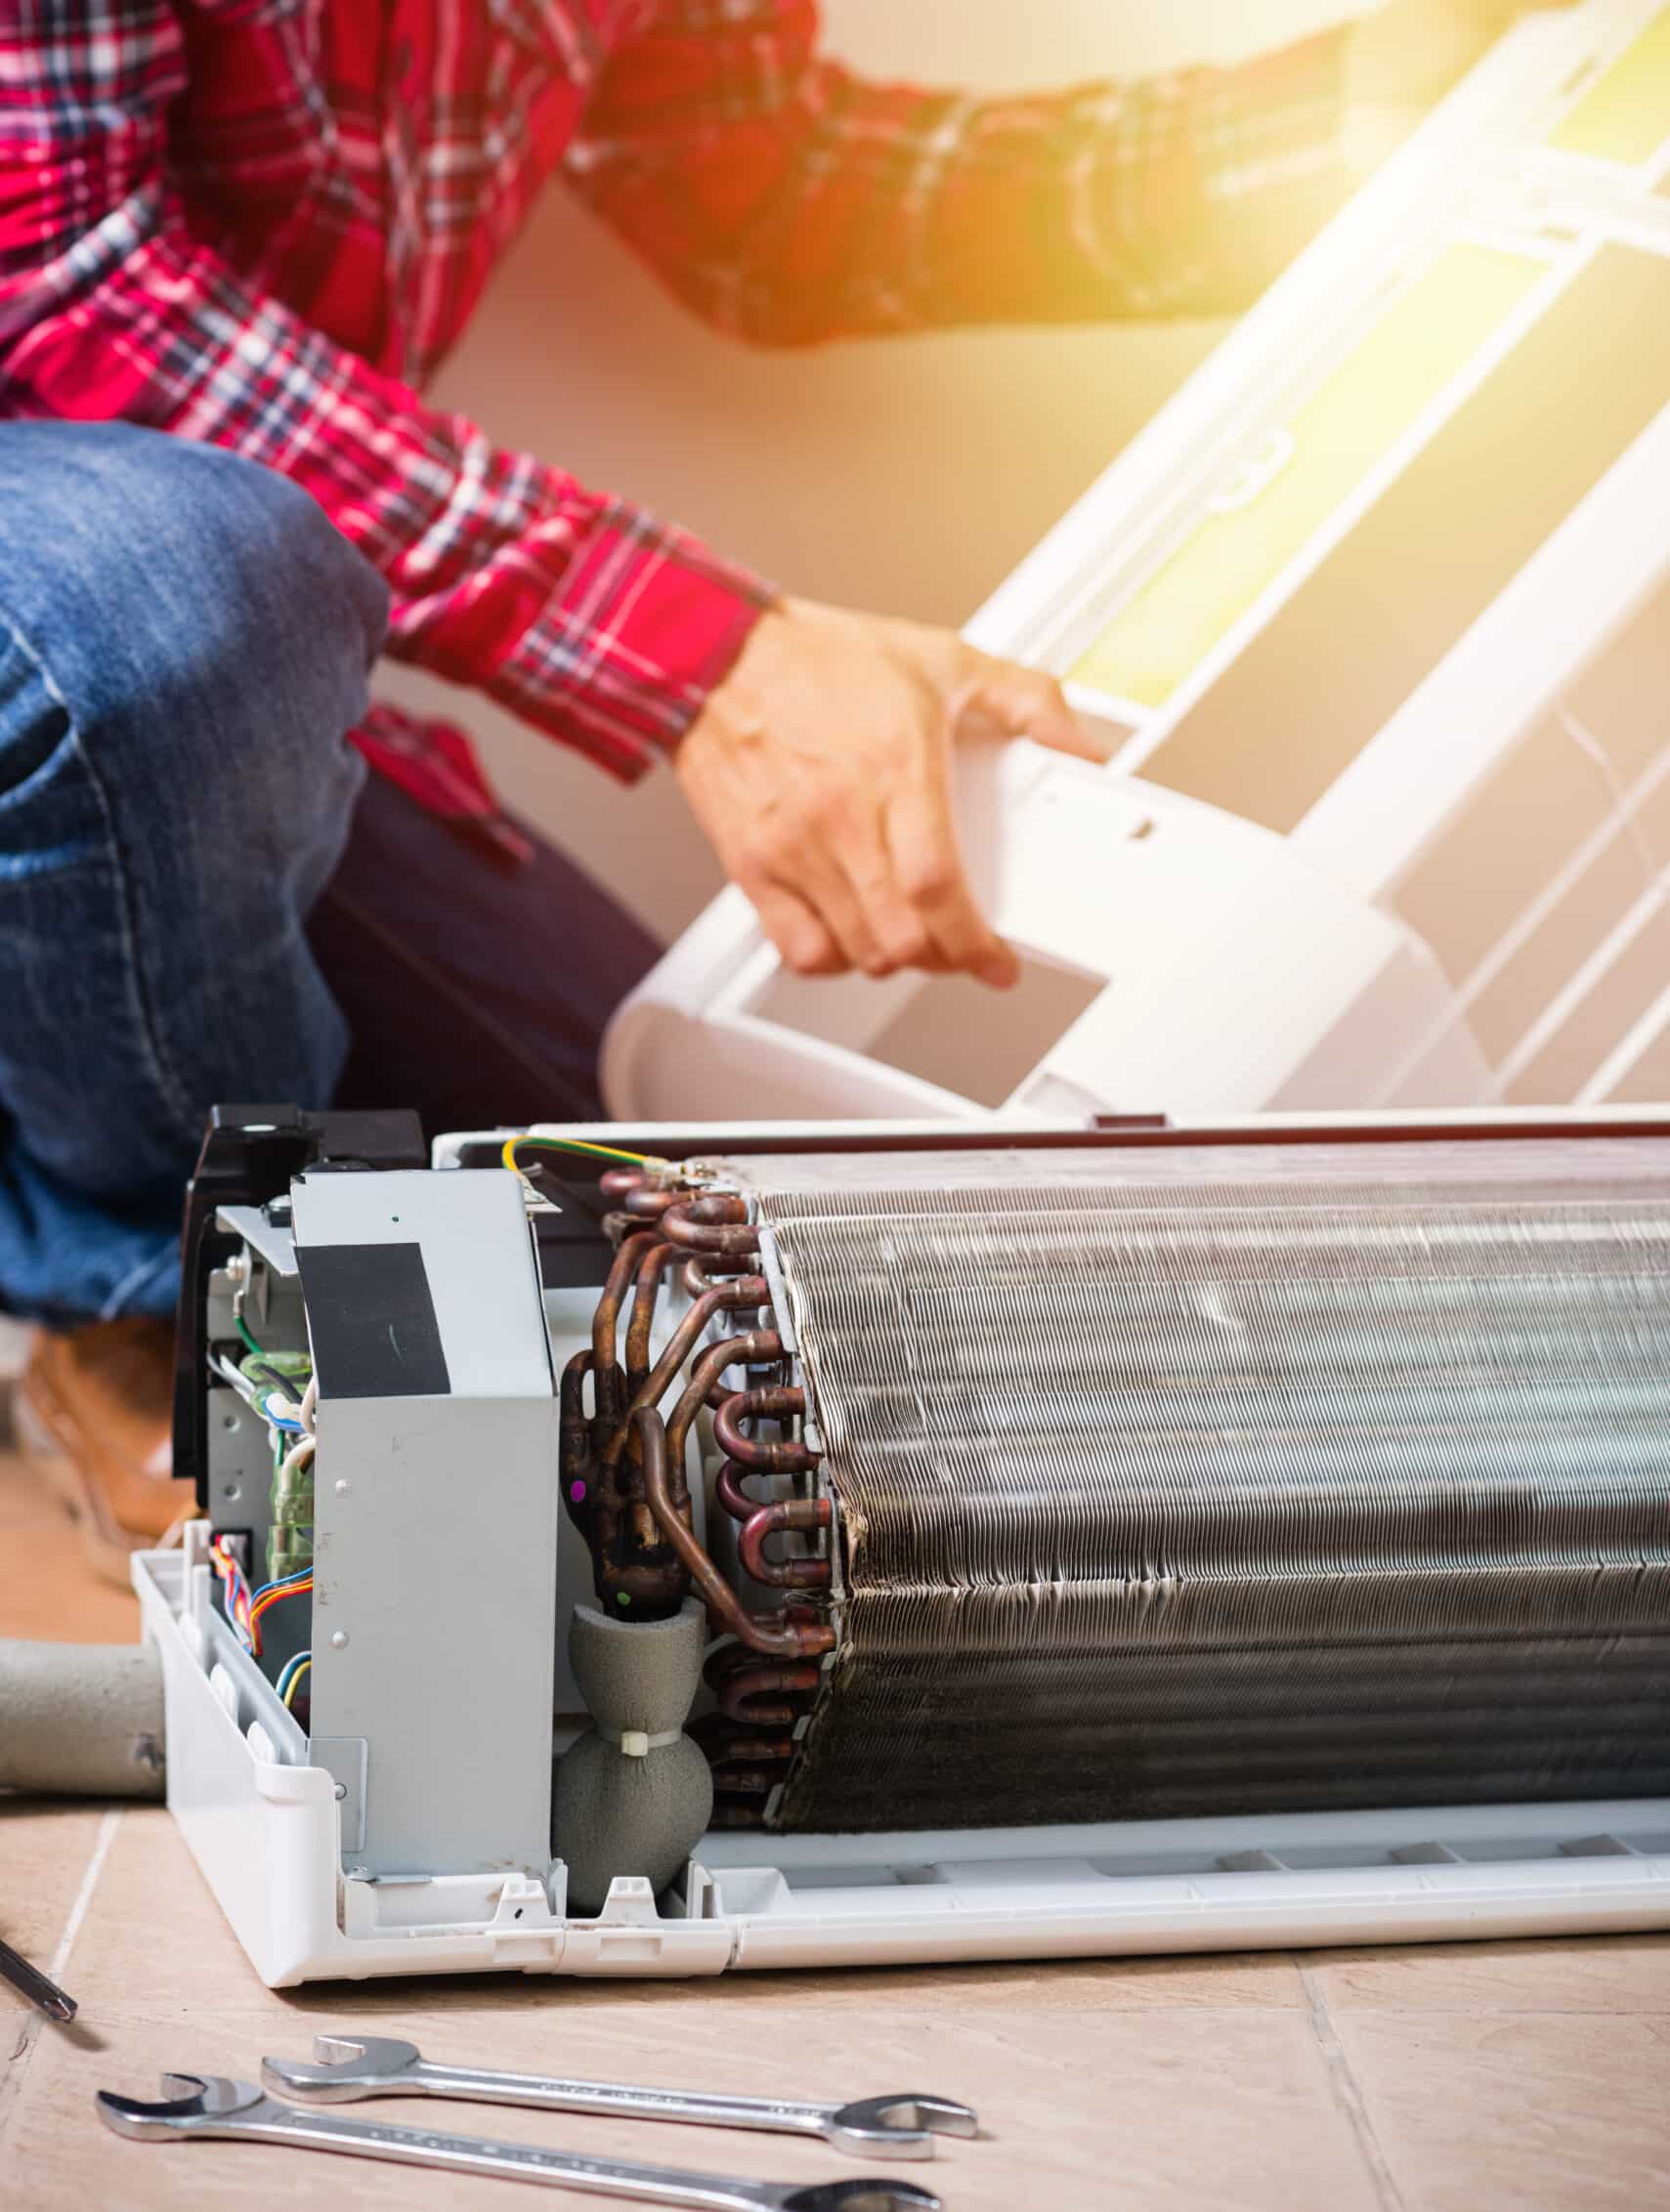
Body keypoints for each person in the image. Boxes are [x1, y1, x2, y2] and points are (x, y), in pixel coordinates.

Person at [1, 0, 1540, 1577]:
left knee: (694, 1229)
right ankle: (142, 1300)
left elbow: (762, 186)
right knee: (160, 609)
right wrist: (699, 655)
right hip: (80, 565)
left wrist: (1314, 125)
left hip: (226, 651)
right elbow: (58, 274)